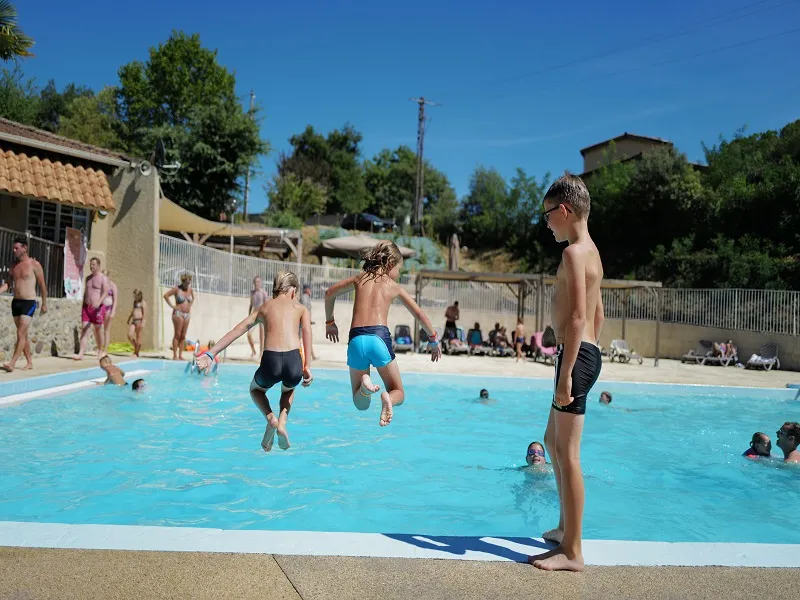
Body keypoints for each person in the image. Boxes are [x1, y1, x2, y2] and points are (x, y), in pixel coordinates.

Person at [528, 172, 604, 573]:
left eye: (547, 215)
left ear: (564, 210)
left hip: (575, 357)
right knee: (550, 441)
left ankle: (573, 551)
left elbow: (577, 318)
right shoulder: (591, 251)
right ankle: (564, 527)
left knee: (567, 454)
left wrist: (567, 373)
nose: (546, 223)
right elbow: (598, 314)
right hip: (585, 353)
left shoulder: (574, 253)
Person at [325, 240, 442, 427]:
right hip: (379, 337)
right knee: (399, 392)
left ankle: (364, 387)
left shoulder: (359, 278)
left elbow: (329, 293)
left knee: (360, 404)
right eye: (399, 269)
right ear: (390, 265)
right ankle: (388, 398)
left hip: (356, 338)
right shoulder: (393, 285)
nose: (398, 274)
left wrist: (330, 322)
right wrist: (433, 339)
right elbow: (419, 313)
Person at [196, 271, 313, 452]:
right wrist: (307, 367)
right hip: (293, 360)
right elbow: (307, 332)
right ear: (293, 290)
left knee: (255, 390)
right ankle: (282, 423)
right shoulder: (301, 309)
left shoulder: (264, 308)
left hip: (271, 360)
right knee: (289, 389)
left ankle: (270, 419)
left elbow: (239, 329)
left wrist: (211, 354)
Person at [2, 237, 48, 372]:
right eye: (14, 248)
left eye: (17, 248)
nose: (14, 250)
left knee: (20, 333)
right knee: (24, 335)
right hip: (16, 302)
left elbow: (42, 285)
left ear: (25, 248)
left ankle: (12, 362)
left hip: (29, 302)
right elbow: (8, 284)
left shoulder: (35, 265)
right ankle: (29, 362)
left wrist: (44, 303)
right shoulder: (13, 266)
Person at [75, 257, 108, 360]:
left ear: (98, 265)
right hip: (86, 308)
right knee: (84, 329)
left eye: (93, 264)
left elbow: (105, 292)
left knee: (98, 330)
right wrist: (83, 304)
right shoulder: (88, 278)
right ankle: (81, 353)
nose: (91, 266)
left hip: (98, 308)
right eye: (90, 264)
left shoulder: (103, 278)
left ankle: (100, 349)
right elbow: (86, 292)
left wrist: (98, 302)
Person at [163, 273, 194, 361]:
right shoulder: (177, 289)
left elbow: (193, 298)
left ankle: (180, 355)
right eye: (187, 283)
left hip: (187, 314)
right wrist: (173, 306)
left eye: (189, 282)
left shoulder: (190, 290)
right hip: (178, 313)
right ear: (183, 281)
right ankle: (175, 355)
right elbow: (166, 295)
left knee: (183, 335)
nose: (188, 284)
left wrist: (189, 306)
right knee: (177, 334)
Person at [247, 276, 268, 360]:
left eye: (258, 282)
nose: (257, 283)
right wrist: (249, 315)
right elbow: (251, 305)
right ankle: (253, 351)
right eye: (255, 282)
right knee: (249, 334)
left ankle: (261, 354)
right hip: (254, 316)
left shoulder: (264, 293)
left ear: (261, 283)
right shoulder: (252, 293)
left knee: (261, 336)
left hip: (262, 316)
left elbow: (266, 305)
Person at [100, 270, 118, 356]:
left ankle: (105, 350)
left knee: (106, 330)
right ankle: (100, 348)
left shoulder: (112, 285)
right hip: (101, 308)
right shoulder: (100, 285)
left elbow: (115, 300)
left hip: (109, 308)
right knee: (99, 329)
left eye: (105, 276)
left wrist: (113, 311)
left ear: (108, 276)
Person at [126, 289, 147, 357]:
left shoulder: (143, 303)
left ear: (139, 295)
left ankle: (136, 353)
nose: (134, 297)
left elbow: (144, 313)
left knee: (138, 337)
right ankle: (136, 346)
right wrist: (129, 318)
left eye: (135, 296)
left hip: (139, 321)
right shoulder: (135, 302)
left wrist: (143, 322)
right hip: (134, 321)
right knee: (129, 335)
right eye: (134, 296)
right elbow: (133, 310)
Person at [300, 284, 318, 360]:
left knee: (307, 338)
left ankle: (312, 355)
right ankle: (306, 355)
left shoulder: (306, 297)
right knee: (302, 338)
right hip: (303, 322)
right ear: (307, 289)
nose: (310, 291)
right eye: (309, 289)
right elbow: (305, 309)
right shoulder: (304, 297)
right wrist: (306, 320)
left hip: (305, 321)